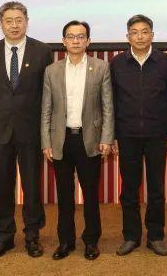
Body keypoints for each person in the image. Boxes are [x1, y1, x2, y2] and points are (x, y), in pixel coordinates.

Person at [0, 1, 52, 259]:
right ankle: (4, 237)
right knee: (2, 186)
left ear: (27, 22)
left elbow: (47, 94)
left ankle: (32, 236)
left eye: (19, 20)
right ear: (0, 24)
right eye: (8, 21)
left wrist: (47, 130)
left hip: (31, 129)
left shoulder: (42, 51)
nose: (14, 25)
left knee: (32, 186)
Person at [41, 21, 115, 261]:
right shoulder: (52, 70)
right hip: (60, 140)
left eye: (81, 36)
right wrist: (46, 142)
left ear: (88, 41)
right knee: (64, 195)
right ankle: (66, 241)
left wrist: (107, 138)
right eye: (71, 36)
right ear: (63, 41)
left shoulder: (100, 67)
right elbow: (46, 109)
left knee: (91, 194)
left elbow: (107, 106)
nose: (75, 41)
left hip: (89, 139)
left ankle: (91, 240)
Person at [110, 14, 167, 257]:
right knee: (129, 188)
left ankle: (156, 236)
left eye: (145, 31)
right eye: (135, 32)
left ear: (152, 35)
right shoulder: (117, 63)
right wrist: (112, 135)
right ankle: (131, 236)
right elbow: (111, 102)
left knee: (156, 189)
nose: (140, 36)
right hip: (126, 135)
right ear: (127, 36)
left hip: (157, 134)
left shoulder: (165, 62)